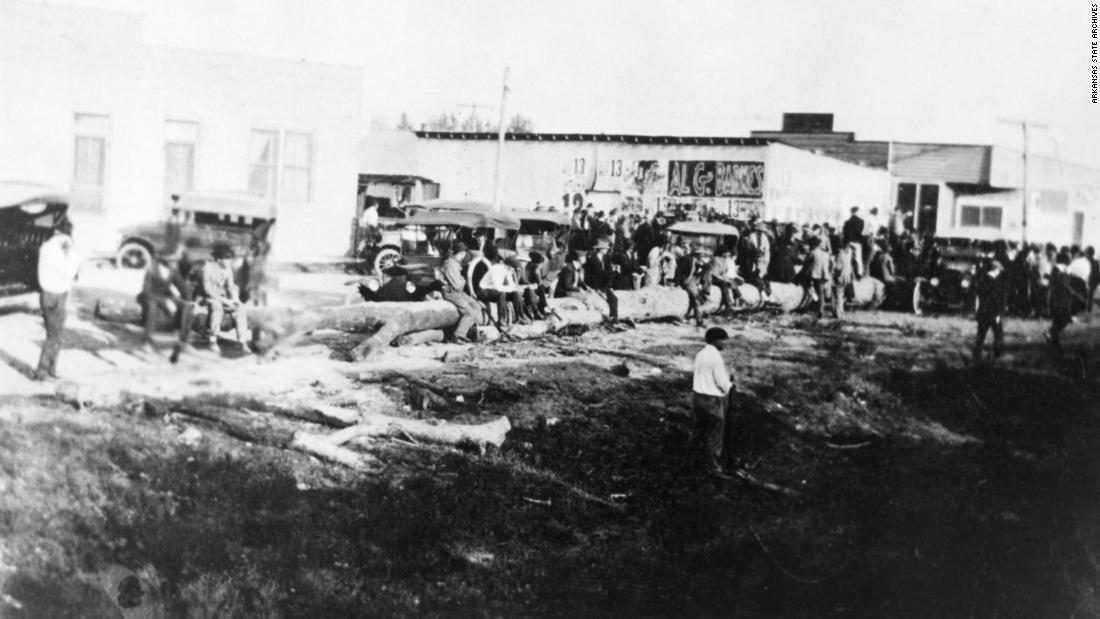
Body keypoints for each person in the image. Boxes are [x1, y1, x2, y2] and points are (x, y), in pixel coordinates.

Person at [34, 217, 81, 381]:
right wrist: (74, 255)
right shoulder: (55, 250)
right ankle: (41, 372)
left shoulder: (49, 247)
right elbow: (69, 272)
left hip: (52, 295)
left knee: (56, 335)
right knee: (53, 336)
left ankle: (52, 369)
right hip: (54, 296)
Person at [689, 327, 734, 477]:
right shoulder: (715, 357)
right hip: (712, 399)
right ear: (715, 341)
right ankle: (714, 468)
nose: (724, 343)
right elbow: (721, 381)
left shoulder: (700, 354)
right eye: (723, 340)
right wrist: (729, 387)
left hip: (698, 397)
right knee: (715, 434)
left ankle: (689, 461)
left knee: (698, 431)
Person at [199, 244, 250, 353]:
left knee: (240, 308)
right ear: (218, 259)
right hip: (208, 298)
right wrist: (225, 301)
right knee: (217, 307)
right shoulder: (207, 268)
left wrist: (235, 298)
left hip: (223, 298)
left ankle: (241, 341)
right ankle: (213, 340)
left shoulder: (228, 269)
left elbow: (231, 286)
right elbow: (207, 290)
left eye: (230, 259)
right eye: (226, 259)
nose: (229, 261)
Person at [138, 256, 187, 354]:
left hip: (164, 296)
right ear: (164, 260)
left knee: (185, 305)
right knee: (152, 309)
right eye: (172, 260)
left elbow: (182, 287)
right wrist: (165, 302)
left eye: (175, 261)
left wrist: (190, 299)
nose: (175, 263)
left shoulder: (172, 270)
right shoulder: (152, 269)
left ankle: (181, 339)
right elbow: (146, 291)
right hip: (148, 297)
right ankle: (146, 342)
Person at [439, 241, 480, 343]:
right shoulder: (450, 264)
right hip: (451, 293)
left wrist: (462, 280)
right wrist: (463, 280)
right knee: (470, 312)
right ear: (461, 253)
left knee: (477, 307)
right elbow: (457, 285)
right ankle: (458, 335)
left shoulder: (456, 264)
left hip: (459, 293)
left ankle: (468, 331)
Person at [973, 259, 1008, 361]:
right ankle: (997, 355)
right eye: (999, 270)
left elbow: (978, 297)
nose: (999, 272)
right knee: (998, 334)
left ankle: (977, 354)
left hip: (982, 312)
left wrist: (977, 312)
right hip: (993, 313)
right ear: (996, 270)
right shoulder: (998, 283)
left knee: (980, 335)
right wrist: (999, 314)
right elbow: (998, 301)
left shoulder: (982, 280)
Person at [478, 252, 527, 325]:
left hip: (494, 290)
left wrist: (517, 288)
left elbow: (511, 284)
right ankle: (501, 319)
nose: (515, 271)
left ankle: (519, 316)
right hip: (484, 291)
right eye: (515, 269)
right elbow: (498, 287)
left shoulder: (507, 270)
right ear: (510, 266)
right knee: (501, 294)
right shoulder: (497, 269)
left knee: (516, 293)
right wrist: (511, 289)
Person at [584, 240, 619, 323]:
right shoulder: (592, 259)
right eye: (605, 249)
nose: (607, 250)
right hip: (594, 284)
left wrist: (609, 282)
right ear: (600, 249)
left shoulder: (606, 258)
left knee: (614, 299)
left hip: (604, 284)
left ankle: (614, 318)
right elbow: (590, 274)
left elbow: (609, 271)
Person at [800, 236, 832, 319]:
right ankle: (818, 307)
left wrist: (803, 273)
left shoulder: (812, 253)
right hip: (824, 274)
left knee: (814, 290)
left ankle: (819, 309)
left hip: (815, 274)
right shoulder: (825, 253)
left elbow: (806, 265)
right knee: (821, 292)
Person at [832, 242, 855, 319]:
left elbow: (838, 268)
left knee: (838, 295)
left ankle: (839, 312)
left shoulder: (840, 255)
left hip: (840, 277)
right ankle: (841, 311)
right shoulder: (849, 253)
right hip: (847, 276)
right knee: (842, 295)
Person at [842, 206, 865, 278]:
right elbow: (861, 231)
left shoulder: (847, 222)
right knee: (858, 259)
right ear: (857, 212)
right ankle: (859, 274)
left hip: (848, 241)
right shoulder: (861, 221)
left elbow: (845, 232)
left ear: (851, 212)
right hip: (857, 241)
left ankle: (849, 274)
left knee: (848, 258)